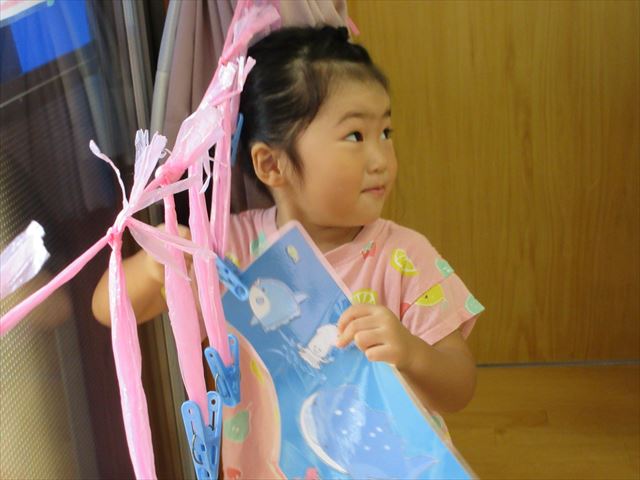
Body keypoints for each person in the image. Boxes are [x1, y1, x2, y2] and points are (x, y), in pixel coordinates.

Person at [92, 25, 484, 477]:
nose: (382, 159)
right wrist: (154, 267)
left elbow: (459, 388)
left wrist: (411, 352)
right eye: (355, 136)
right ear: (271, 164)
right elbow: (107, 309)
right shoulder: (231, 250)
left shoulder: (404, 257)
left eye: (386, 132)